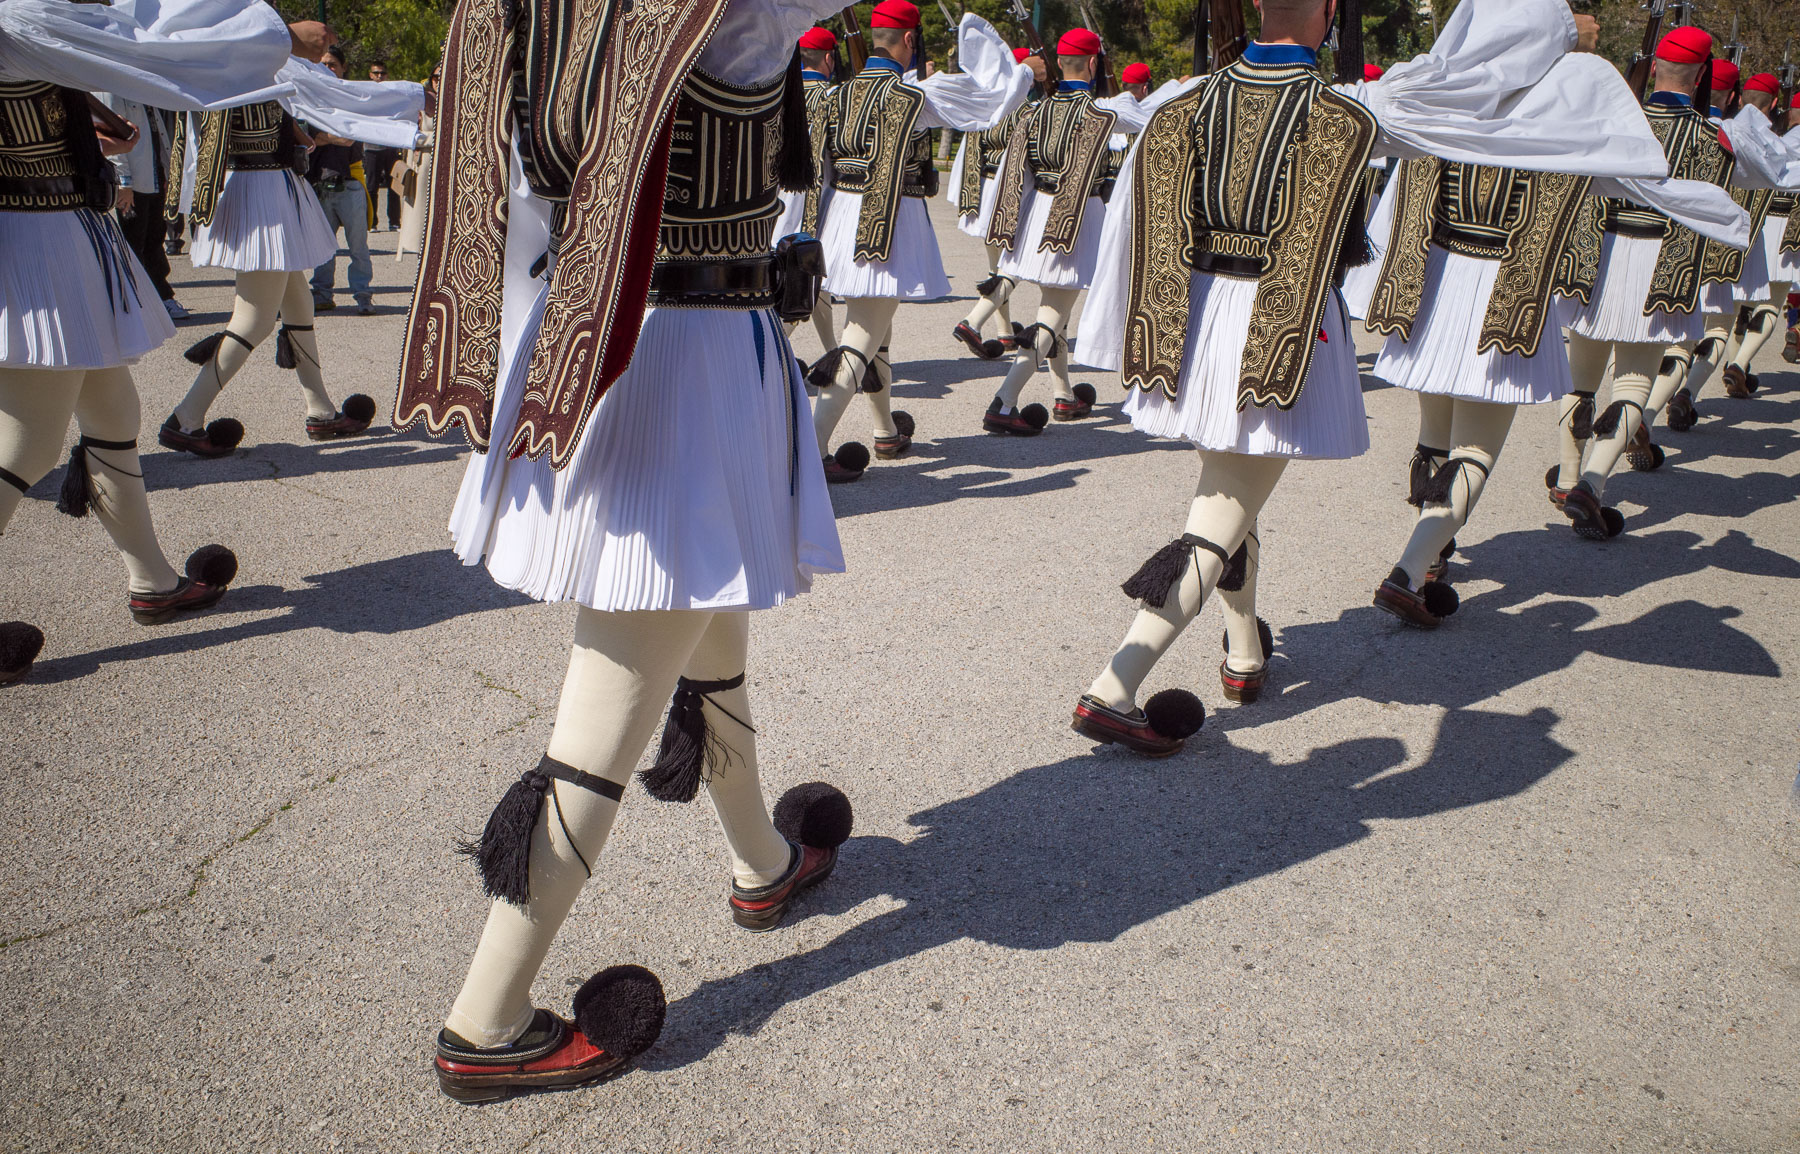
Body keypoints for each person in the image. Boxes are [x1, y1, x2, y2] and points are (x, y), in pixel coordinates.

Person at [396, 0, 872, 1103]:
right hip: (689, 359)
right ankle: (490, 1016)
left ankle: (762, 861)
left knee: (711, 649)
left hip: (588, 337)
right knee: (600, 724)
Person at [1069, 0, 1675, 755]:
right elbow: (1479, 99)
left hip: (1187, 323)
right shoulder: (1355, 112)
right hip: (1275, 335)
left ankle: (1243, 653)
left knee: (1231, 498)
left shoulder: (1181, 102)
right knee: (1219, 515)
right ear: (1327, 9)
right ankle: (1116, 684)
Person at [0, 0, 337, 685]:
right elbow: (145, 39)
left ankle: (152, 579)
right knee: (27, 442)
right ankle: (153, 572)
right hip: (38, 236)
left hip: (54, 227)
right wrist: (284, 37)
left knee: (113, 416)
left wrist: (75, 115)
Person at [156, 49, 424, 459]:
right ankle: (186, 418)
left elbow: (297, 132)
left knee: (298, 306)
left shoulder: (248, 65)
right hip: (261, 190)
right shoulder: (245, 66)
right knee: (254, 320)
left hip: (268, 186)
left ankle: (320, 410)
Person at [807, 1, 1030, 482]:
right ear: (910, 40)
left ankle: (885, 430)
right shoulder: (913, 95)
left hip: (843, 217)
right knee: (861, 337)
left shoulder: (836, 94)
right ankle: (808, 448)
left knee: (876, 335)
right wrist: (1021, 71)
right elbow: (991, 102)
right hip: (885, 224)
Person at [1552, 27, 1749, 539]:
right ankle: (1590, 484)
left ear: (1655, 65)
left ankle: (1567, 473)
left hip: (1598, 256)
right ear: (1702, 75)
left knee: (1582, 379)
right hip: (1659, 266)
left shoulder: (1616, 119)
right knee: (1634, 383)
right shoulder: (1713, 139)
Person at [977, 29, 1180, 433]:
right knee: (1052, 317)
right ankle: (1003, 403)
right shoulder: (1103, 113)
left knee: (1058, 313)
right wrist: (1182, 88)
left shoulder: (1035, 112)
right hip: (1075, 223)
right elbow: (1154, 116)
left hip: (1033, 218)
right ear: (1092, 64)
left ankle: (1064, 395)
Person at [1664, 71, 1800, 423]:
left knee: (1683, 327)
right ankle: (1705, 381)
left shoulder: (1701, 128)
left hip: (1690, 237)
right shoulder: (1771, 141)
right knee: (1755, 311)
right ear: (1773, 104)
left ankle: (1645, 407)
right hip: (1765, 230)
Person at [947, 45, 1042, 361]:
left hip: (982, 192)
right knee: (1014, 267)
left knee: (995, 268)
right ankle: (974, 321)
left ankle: (1004, 334)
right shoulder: (1029, 111)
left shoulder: (984, 106)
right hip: (1010, 195)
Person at [772, 26, 838, 355]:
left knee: (813, 283)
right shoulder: (832, 98)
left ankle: (832, 353)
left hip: (772, 197)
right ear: (828, 57)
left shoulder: (776, 90)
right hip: (813, 203)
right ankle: (769, 349)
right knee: (798, 281)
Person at [98, 94, 188, 319]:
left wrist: (167, 171)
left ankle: (160, 296)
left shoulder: (139, 88)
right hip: (134, 182)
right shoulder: (113, 91)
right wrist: (124, 182)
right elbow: (113, 136)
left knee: (154, 237)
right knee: (134, 241)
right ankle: (141, 300)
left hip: (154, 176)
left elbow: (160, 134)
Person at [307, 45, 375, 315]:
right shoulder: (310, 97)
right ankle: (322, 294)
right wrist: (321, 134)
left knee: (358, 246)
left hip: (349, 184)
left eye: (332, 64)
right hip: (320, 185)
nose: (327, 69)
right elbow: (305, 133)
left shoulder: (351, 98)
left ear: (343, 68)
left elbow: (347, 136)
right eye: (322, 64)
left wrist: (321, 134)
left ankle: (363, 296)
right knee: (323, 248)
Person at [393, 62, 438, 260]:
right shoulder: (421, 103)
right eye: (435, 77)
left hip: (444, 167)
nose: (438, 81)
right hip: (421, 166)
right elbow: (408, 133)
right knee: (419, 214)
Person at [363, 58, 403, 233]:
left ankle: (394, 221)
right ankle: (371, 222)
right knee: (371, 186)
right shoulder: (365, 94)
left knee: (394, 185)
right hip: (371, 146)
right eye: (376, 73)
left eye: (382, 73)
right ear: (370, 75)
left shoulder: (392, 93)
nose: (379, 76)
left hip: (390, 145)